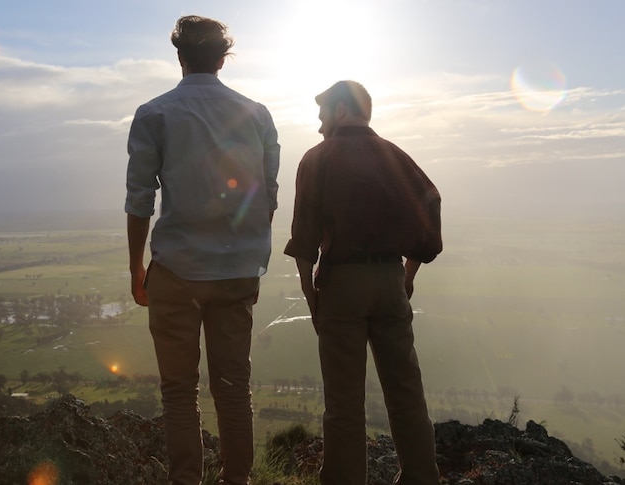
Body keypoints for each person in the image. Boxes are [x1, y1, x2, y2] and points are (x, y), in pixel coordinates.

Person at [125, 15, 280, 485]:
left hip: (176, 268)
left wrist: (136, 268)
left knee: (178, 391)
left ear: (180, 56)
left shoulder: (155, 113)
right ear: (221, 59)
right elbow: (268, 196)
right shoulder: (256, 115)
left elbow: (139, 200)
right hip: (236, 271)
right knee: (234, 390)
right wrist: (243, 249)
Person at [284, 80, 442, 485]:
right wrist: (406, 274)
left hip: (342, 284)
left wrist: (310, 295)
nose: (319, 126)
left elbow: (304, 239)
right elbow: (431, 203)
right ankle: (421, 477)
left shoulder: (318, 158)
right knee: (406, 391)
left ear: (340, 111)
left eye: (322, 116)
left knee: (344, 402)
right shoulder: (395, 156)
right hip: (390, 279)